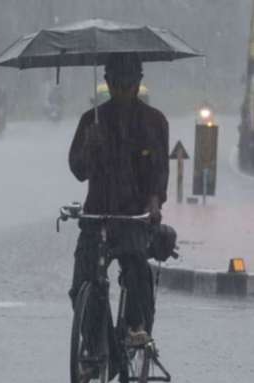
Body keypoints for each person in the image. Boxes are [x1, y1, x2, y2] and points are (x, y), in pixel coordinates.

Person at [68, 53, 169, 346]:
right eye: (117, 84)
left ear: (138, 83)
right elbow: (78, 170)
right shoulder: (91, 120)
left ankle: (135, 327)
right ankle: (96, 346)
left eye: (129, 84)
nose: (123, 91)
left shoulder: (154, 122)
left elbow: (160, 171)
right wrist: (89, 147)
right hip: (96, 215)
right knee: (84, 283)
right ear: (107, 83)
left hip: (133, 216)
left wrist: (153, 203)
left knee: (137, 268)